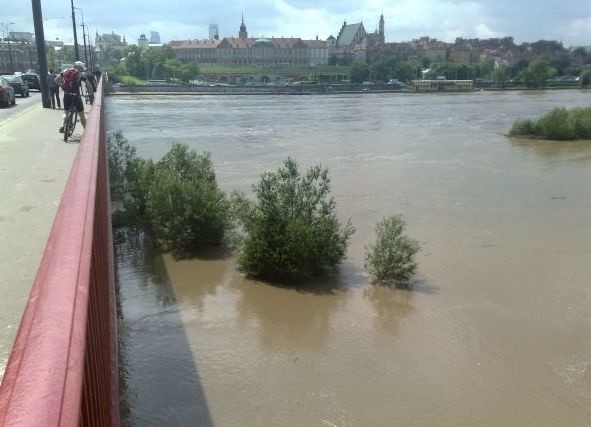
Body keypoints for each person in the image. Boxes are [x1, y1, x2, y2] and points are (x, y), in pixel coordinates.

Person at [54, 61, 94, 133]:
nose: (82, 69)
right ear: (78, 67)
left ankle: (62, 125)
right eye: (81, 68)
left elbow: (56, 80)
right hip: (76, 96)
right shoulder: (80, 74)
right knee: (81, 114)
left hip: (66, 94)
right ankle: (86, 133)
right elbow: (88, 85)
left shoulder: (65, 71)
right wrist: (91, 94)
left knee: (66, 112)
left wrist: (62, 86)